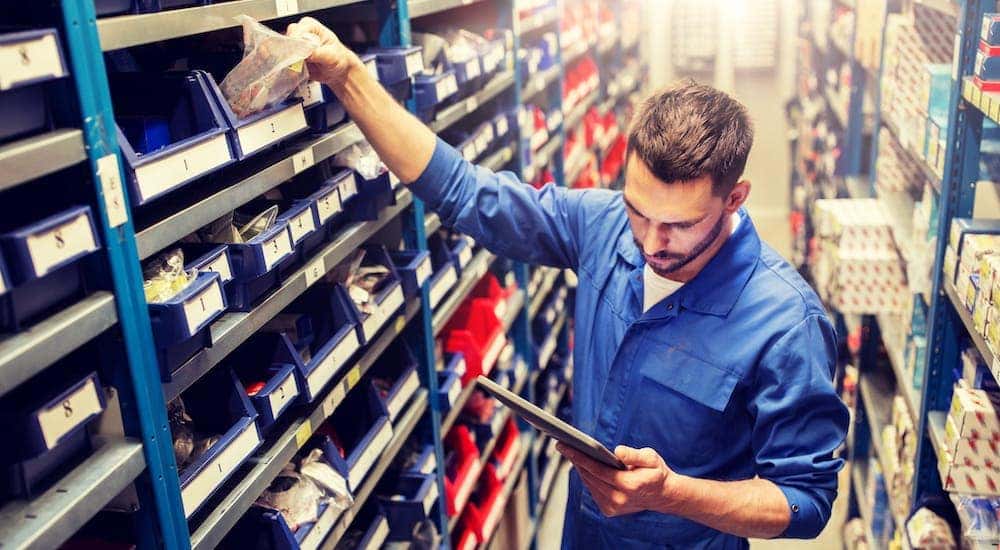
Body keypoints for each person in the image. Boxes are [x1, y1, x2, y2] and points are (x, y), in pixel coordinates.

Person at [286, 17, 849, 549]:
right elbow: (463, 191)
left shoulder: (785, 321)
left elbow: (805, 498)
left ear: (735, 199)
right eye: (638, 211)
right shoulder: (603, 225)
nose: (651, 243)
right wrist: (348, 76)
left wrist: (673, 493)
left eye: (679, 225)